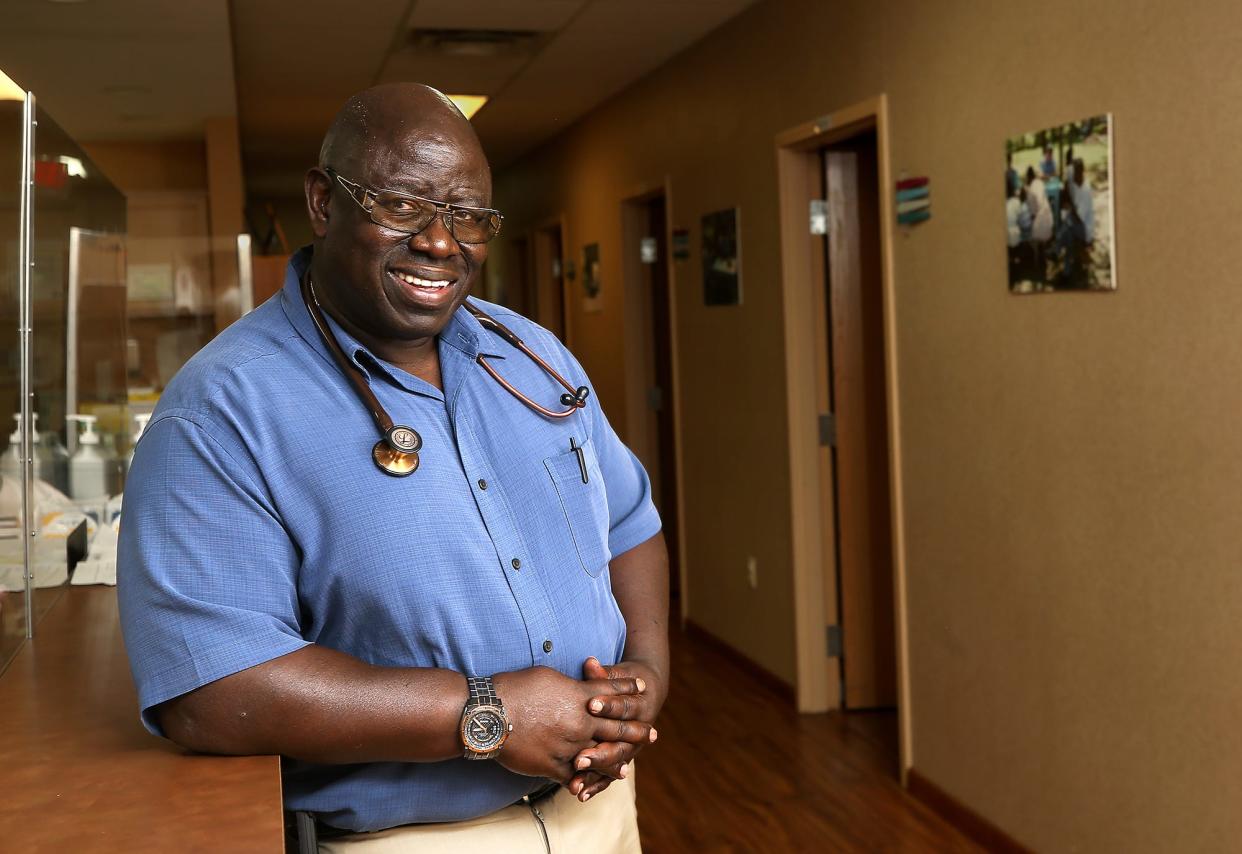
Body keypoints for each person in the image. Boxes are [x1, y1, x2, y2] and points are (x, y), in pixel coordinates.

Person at [117, 83, 669, 852]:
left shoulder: (533, 356)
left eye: (469, 215)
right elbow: (211, 693)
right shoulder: (221, 414)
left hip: (600, 817)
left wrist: (641, 676)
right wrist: (486, 714)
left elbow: (629, 522)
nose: (442, 243)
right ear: (322, 201)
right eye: (403, 205)